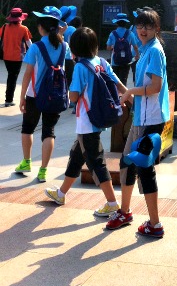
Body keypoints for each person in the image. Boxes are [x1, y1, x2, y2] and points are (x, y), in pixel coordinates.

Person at [44, 26, 127, 215]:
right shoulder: (101, 62)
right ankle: (61, 193)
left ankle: (112, 203)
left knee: (97, 163)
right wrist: (130, 99)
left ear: (74, 49)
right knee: (76, 158)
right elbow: (117, 83)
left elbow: (73, 96)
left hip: (87, 123)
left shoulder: (80, 67)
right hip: (96, 119)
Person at [106, 8, 169, 238]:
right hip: (141, 117)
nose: (143, 30)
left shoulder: (154, 51)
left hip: (151, 120)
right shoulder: (145, 50)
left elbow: (155, 87)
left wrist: (130, 91)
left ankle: (155, 224)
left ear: (156, 28)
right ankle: (125, 212)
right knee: (126, 163)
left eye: (148, 26)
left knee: (144, 169)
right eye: (140, 26)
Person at [15, 6, 67, 183]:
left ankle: (26, 162)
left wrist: (21, 97)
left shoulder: (36, 47)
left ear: (40, 27)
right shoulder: (64, 46)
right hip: (56, 94)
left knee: (27, 128)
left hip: (34, 95)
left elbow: (27, 74)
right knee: (49, 131)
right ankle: (43, 170)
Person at [1, 7, 32, 107]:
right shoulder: (24, 29)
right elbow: (29, 43)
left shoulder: (4, 27)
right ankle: (8, 100)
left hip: (6, 56)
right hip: (18, 57)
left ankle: (8, 99)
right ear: (20, 19)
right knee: (13, 78)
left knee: (11, 76)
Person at [106, 12, 138, 86]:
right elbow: (135, 46)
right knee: (123, 80)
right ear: (126, 23)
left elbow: (108, 48)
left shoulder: (113, 33)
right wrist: (137, 55)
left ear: (117, 23)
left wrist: (114, 47)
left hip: (115, 61)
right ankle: (123, 93)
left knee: (115, 81)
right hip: (127, 61)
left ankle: (116, 93)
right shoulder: (130, 33)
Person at [60, 5, 78, 87]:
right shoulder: (72, 29)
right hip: (69, 58)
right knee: (69, 82)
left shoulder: (55, 27)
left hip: (58, 58)